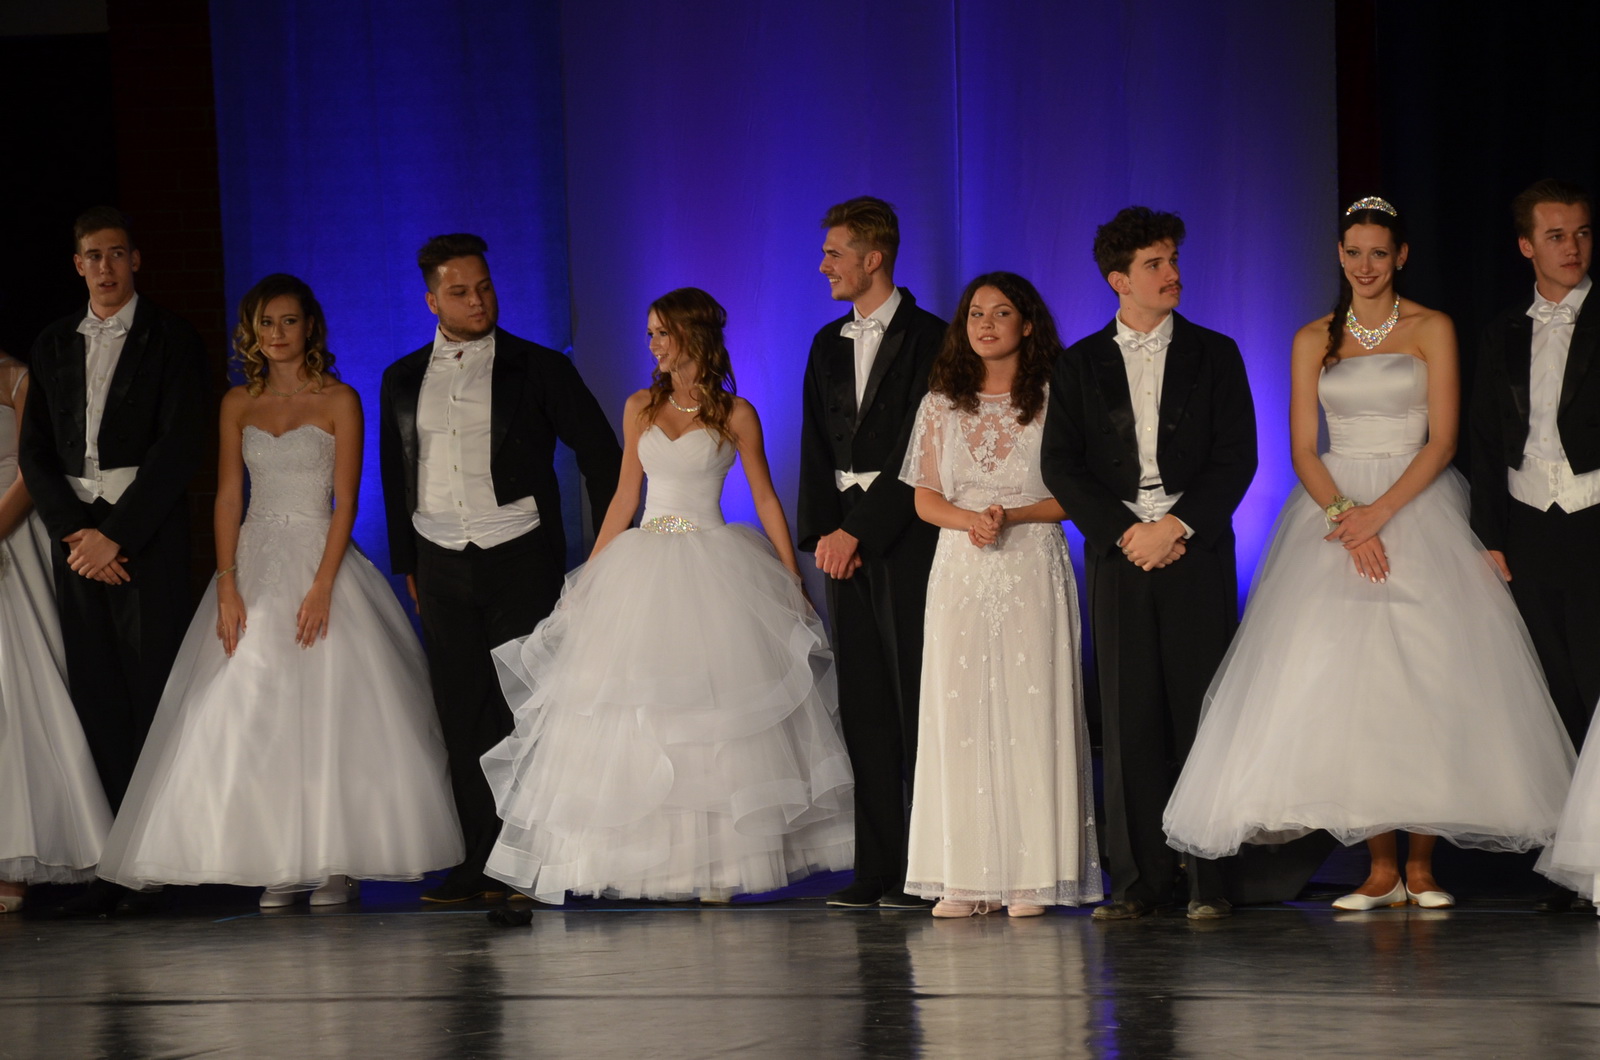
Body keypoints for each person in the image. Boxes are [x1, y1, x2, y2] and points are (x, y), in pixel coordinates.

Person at [1164, 197, 1575, 909]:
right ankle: (1380, 869)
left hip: (1417, 503)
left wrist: (1380, 514)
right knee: (1355, 686)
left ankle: (1423, 865)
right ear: (1339, 255)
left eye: (1379, 253)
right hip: (1336, 510)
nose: (1365, 265)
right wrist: (1344, 516)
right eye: (1353, 252)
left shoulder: (1431, 327)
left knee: (1429, 678)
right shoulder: (1312, 337)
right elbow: (1302, 447)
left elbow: (1443, 439)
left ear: (1401, 256)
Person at [95, 274, 463, 906]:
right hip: (254, 558)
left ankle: (335, 860)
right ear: (253, 332)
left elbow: (346, 501)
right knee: (252, 702)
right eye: (266, 323)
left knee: (332, 706)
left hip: (322, 558)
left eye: (289, 321)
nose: (277, 334)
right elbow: (227, 497)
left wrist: (322, 585)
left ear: (309, 326)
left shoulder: (339, 399)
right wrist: (226, 583)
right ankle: (279, 859)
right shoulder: (238, 402)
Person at [481, 287, 853, 905]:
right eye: (650, 333)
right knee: (640, 713)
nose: (652, 343)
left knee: (712, 715)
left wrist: (792, 577)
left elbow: (765, 498)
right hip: (646, 561)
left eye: (662, 332)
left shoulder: (736, 414)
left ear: (692, 335)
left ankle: (716, 868)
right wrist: (591, 578)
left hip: (715, 562)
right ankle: (652, 867)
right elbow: (625, 498)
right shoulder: (640, 407)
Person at [379, 234, 621, 903]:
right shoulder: (401, 377)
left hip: (519, 555)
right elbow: (398, 472)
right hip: (439, 561)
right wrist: (408, 564)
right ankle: (480, 860)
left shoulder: (538, 366)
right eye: (459, 291)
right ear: (432, 300)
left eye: (484, 286)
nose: (478, 300)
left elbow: (602, 452)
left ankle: (533, 861)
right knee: (462, 712)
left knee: (529, 708)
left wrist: (610, 548)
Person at [1040, 206, 1255, 921]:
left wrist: (1177, 526)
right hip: (1121, 553)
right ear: (1118, 279)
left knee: (1202, 711)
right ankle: (1138, 882)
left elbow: (1237, 456)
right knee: (1128, 718)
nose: (1172, 274)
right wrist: (1126, 533)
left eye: (1174, 260)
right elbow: (1061, 464)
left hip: (1194, 550)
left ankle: (1210, 880)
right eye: (1155, 264)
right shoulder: (1078, 363)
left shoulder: (1216, 353)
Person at [20, 207, 208, 918]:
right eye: (93, 256)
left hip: (143, 538)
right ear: (78, 265)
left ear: (136, 260)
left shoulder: (172, 337)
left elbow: (180, 446)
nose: (105, 267)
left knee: (153, 690)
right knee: (96, 695)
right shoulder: (53, 341)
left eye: (117, 254)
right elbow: (35, 451)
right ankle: (116, 863)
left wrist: (117, 536)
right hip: (76, 544)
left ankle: (164, 860)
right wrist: (76, 534)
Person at [899, 273, 1101, 918]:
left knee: (1031, 705)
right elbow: (924, 496)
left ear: (1028, 324)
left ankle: (1030, 876)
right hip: (961, 565)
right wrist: (972, 521)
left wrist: (1011, 516)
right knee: (957, 709)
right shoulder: (941, 403)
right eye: (975, 313)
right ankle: (963, 875)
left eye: (1001, 312)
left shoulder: (1057, 398)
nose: (985, 324)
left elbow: (1077, 494)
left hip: (1032, 559)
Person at [798, 197, 943, 909]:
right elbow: (814, 446)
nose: (824, 265)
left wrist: (861, 530)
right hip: (843, 547)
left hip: (907, 536)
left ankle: (926, 865)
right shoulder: (826, 343)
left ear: (873, 257)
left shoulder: (934, 338)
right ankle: (876, 866)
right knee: (864, 706)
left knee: (916, 700)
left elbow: (923, 449)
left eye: (835, 253)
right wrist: (827, 535)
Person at [1470, 180, 1600, 913]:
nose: (1572, 247)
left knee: (1597, 685)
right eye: (1556, 236)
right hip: (1530, 527)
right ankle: (1572, 863)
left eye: (1581, 233)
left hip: (1594, 518)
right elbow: (1487, 443)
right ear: (1526, 246)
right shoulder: (1501, 333)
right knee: (1552, 696)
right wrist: (1489, 537)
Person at [0, 349, 113, 914]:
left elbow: (33, 469)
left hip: (11, 536)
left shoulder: (19, 378)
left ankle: (17, 856)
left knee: (19, 688)